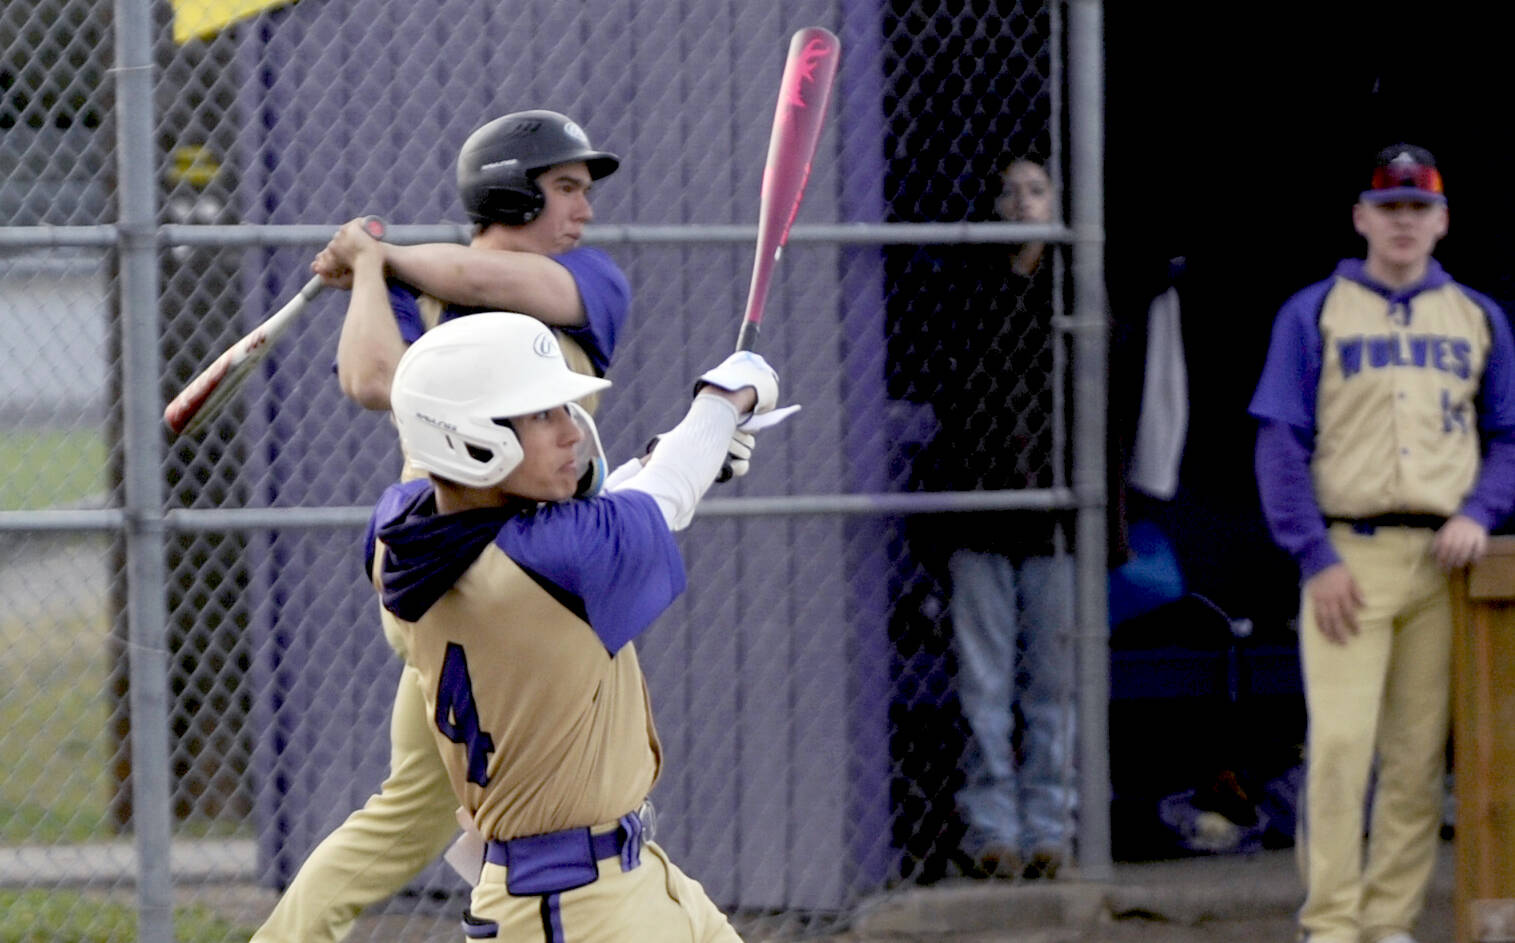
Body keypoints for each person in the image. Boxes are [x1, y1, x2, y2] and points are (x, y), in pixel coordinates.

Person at [250, 109, 632, 943]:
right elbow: (373, 379)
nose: (585, 209)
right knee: (567, 788)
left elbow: (493, 282)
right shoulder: (411, 285)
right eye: (565, 187)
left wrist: (371, 255)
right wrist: (374, 268)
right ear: (508, 190)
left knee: (412, 815)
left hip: (520, 574)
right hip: (469, 571)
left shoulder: (590, 282)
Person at [371, 311, 789, 941]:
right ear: (469, 437)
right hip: (571, 906)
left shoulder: (404, 532)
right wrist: (726, 400)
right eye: (541, 416)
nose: (570, 433)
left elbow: (578, 508)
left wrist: (657, 460)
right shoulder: (546, 564)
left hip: (619, 876)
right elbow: (661, 495)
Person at [1249, 143, 1515, 943]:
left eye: (1418, 208)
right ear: (1361, 216)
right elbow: (1279, 442)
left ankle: (1389, 920)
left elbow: (1506, 434)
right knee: (1336, 747)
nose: (1403, 221)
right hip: (1348, 556)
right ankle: (1330, 924)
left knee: (1414, 758)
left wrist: (1480, 509)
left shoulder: (1476, 316)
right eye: (1388, 207)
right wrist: (1313, 555)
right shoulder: (1315, 309)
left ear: (1441, 221)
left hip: (1445, 559)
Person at [910, 155, 1076, 880]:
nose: (1020, 203)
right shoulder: (963, 289)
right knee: (982, 685)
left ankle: (1051, 828)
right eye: (1006, 192)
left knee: (1055, 683)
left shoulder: (1074, 290)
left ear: (1057, 201)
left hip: (1054, 516)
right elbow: (947, 390)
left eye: (1035, 191)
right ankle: (993, 830)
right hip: (978, 509)